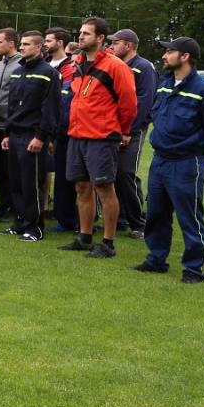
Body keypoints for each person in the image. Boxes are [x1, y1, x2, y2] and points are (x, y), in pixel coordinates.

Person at [132, 37, 204, 283]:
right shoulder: (164, 85)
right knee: (156, 213)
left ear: (185, 56)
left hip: (185, 163)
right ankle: (156, 259)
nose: (164, 56)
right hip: (160, 160)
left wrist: (200, 154)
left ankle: (193, 269)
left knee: (189, 216)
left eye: (169, 52)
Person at [59, 17, 137, 259]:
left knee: (104, 187)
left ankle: (108, 243)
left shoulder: (116, 66)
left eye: (86, 33)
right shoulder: (77, 63)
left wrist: (123, 131)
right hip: (77, 134)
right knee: (82, 186)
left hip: (102, 136)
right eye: (80, 32)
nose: (81, 36)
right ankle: (84, 237)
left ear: (101, 38)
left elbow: (129, 104)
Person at [2, 31, 62, 241]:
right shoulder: (18, 72)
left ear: (39, 47)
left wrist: (41, 136)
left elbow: (51, 109)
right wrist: (8, 133)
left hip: (33, 135)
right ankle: (20, 222)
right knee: (16, 181)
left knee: (31, 183)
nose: (22, 48)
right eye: (21, 44)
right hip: (15, 133)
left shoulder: (48, 73)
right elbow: (11, 106)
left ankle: (34, 227)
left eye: (27, 44)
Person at [108, 29, 157, 238]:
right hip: (111, 128)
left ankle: (138, 222)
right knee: (112, 174)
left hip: (131, 130)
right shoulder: (114, 65)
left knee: (126, 173)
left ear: (127, 45)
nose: (111, 46)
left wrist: (130, 130)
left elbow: (145, 101)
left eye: (115, 42)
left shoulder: (144, 67)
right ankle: (119, 219)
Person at [43, 27, 76, 230]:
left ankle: (68, 218)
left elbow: (65, 100)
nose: (45, 44)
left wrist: (56, 132)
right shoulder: (45, 64)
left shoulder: (69, 67)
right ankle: (46, 208)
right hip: (42, 125)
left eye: (48, 40)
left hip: (63, 129)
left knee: (65, 175)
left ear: (60, 43)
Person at [0, 27, 21, 220]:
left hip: (11, 126)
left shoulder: (21, 66)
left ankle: (16, 207)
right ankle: (4, 202)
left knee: (12, 169)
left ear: (11, 43)